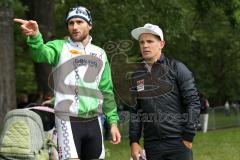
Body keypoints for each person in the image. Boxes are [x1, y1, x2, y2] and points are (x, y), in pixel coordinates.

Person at [14, 6, 121, 160]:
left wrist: (113, 122)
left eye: (79, 22)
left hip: (95, 121)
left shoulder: (100, 54)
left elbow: (106, 91)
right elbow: (40, 54)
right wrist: (36, 37)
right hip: (67, 120)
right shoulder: (59, 47)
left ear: (89, 25)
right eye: (71, 23)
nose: (75, 27)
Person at [129, 23, 201, 160]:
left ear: (161, 44)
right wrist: (134, 141)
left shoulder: (178, 68)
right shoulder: (137, 76)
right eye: (142, 42)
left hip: (178, 142)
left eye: (150, 41)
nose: (145, 45)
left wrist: (189, 136)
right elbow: (135, 111)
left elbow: (193, 102)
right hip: (151, 146)